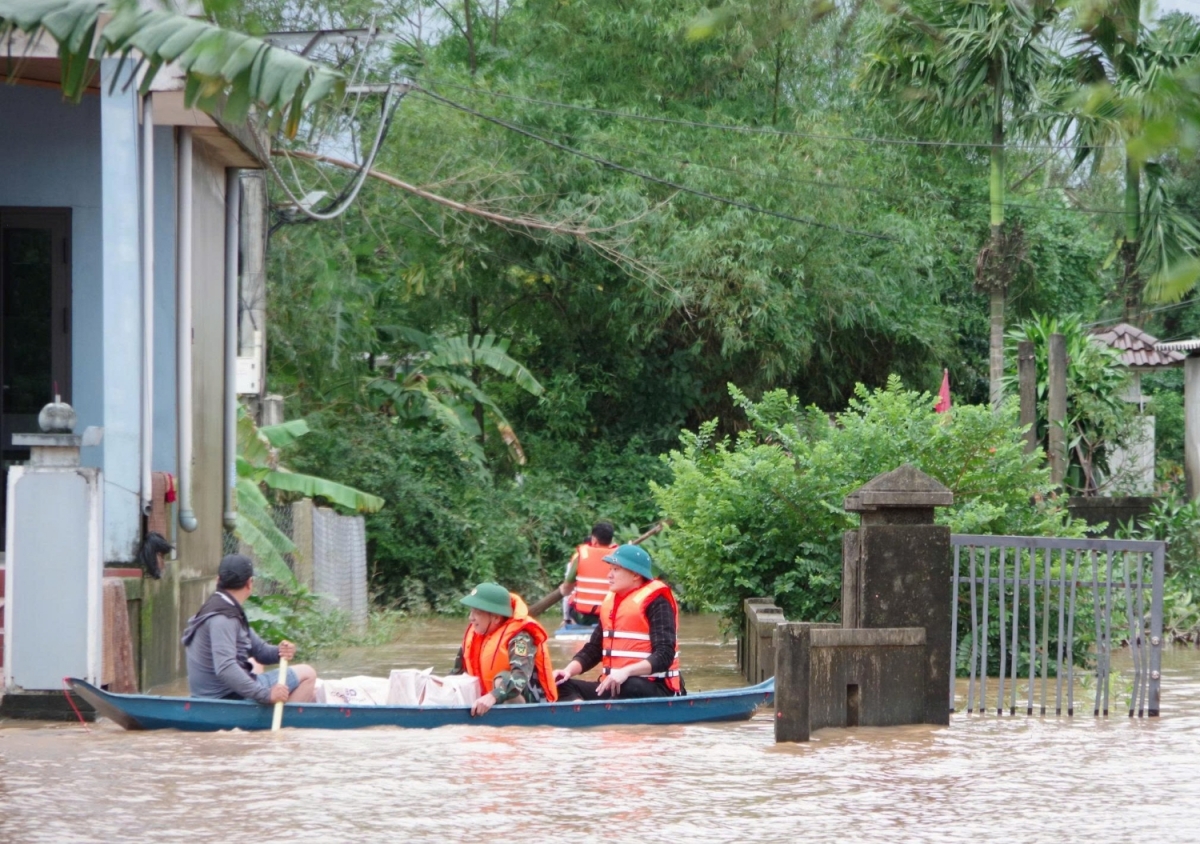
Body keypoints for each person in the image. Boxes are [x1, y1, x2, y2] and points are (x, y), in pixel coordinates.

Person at [554, 544, 686, 700]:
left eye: (615, 570)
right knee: (560, 685)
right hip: (616, 686)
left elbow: (664, 655)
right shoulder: (611, 602)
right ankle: (583, 713)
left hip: (655, 687)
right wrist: (567, 671)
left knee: (630, 684)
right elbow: (593, 649)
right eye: (610, 569)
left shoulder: (658, 602)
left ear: (635, 575)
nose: (609, 575)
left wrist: (626, 671)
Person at [181, 554, 317, 704]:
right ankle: (287, 724)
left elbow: (260, 652)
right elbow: (226, 667)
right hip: (223, 698)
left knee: (256, 662)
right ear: (249, 583)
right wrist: (266, 695)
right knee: (308, 673)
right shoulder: (224, 618)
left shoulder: (222, 607)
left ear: (218, 580)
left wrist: (280, 651)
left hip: (218, 693)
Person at [451, 582, 558, 716]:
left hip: (530, 702)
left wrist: (492, 696)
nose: (470, 618)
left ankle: (514, 728)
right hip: (488, 701)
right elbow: (455, 675)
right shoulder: (474, 637)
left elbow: (520, 678)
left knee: (503, 679)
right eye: (471, 611)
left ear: (496, 617)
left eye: (477, 612)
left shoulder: (520, 638)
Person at [560, 521, 619, 627]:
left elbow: (567, 588)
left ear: (594, 540)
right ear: (611, 540)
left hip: (583, 615)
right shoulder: (619, 558)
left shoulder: (581, 556)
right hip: (610, 614)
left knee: (568, 597)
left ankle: (567, 621)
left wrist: (563, 590)